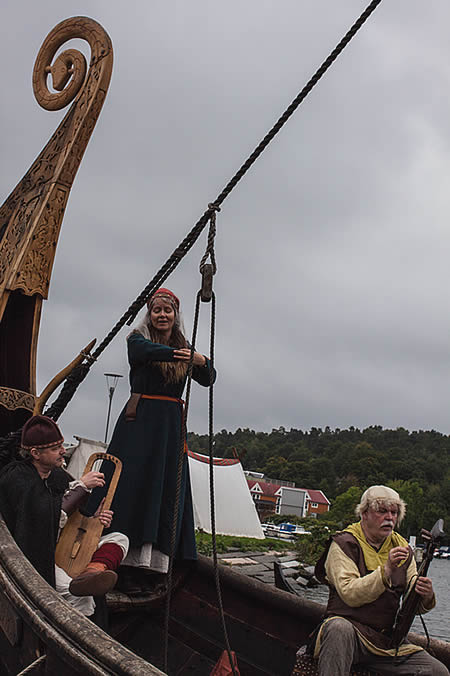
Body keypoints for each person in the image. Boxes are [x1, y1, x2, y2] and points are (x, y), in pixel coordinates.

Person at [99, 287, 215, 574]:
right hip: (140, 421)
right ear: (149, 315)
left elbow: (208, 378)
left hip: (169, 428)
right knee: (130, 482)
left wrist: (202, 361)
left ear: (175, 316)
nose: (162, 315)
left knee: (163, 486)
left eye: (167, 311)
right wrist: (187, 356)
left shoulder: (185, 345)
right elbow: (143, 352)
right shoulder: (139, 340)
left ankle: (154, 565)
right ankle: (113, 555)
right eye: (157, 311)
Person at [311, 485, 448, 676]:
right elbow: (350, 593)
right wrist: (386, 571)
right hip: (350, 634)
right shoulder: (344, 544)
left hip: (385, 642)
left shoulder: (401, 546)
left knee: (437, 671)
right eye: (382, 511)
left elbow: (412, 605)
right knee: (338, 628)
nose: (390, 517)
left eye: (394, 512)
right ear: (364, 513)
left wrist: (425, 595)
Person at [0, 415, 129, 617]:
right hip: (36, 557)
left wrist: (95, 518)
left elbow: (71, 517)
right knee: (79, 595)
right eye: (55, 448)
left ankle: (92, 571)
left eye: (61, 445)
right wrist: (81, 487)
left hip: (64, 547)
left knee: (119, 539)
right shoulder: (16, 477)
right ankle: (69, 638)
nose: (63, 451)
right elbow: (41, 518)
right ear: (35, 453)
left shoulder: (57, 475)